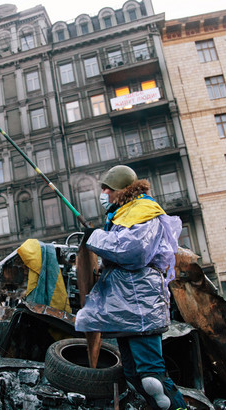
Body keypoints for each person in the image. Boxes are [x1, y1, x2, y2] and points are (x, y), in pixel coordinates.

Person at [75, 165, 186, 410]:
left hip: (140, 301)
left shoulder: (144, 210)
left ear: (121, 189)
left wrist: (95, 237)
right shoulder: (121, 215)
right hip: (124, 303)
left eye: (107, 188)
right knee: (134, 377)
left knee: (151, 379)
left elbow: (134, 251)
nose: (102, 193)